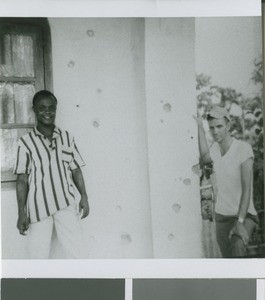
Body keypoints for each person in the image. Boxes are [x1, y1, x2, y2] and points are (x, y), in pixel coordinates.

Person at [13, 90, 90, 259]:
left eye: (51, 107)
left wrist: (84, 196)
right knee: (37, 256)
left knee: (78, 253)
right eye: (42, 108)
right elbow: (22, 179)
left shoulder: (67, 138)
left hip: (65, 202)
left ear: (56, 109)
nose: (47, 112)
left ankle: (84, 284)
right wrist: (21, 212)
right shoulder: (25, 142)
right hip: (38, 206)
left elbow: (76, 169)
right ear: (34, 110)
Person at [194, 105, 258, 258]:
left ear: (228, 125)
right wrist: (200, 128)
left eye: (219, 126)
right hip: (222, 218)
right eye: (212, 128)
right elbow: (204, 156)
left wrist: (240, 221)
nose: (215, 131)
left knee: (238, 246)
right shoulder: (215, 149)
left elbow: (246, 188)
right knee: (228, 261)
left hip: (244, 215)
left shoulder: (243, 149)